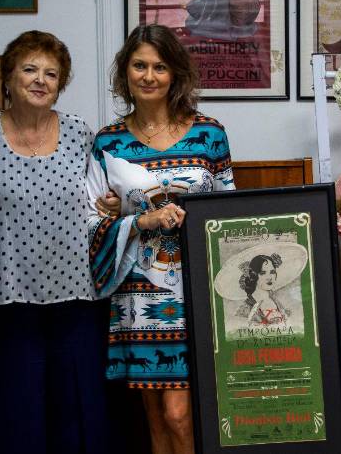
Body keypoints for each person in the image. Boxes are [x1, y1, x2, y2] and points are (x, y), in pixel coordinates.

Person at [0, 30, 120, 454]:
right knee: (15, 416)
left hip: (77, 297)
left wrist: (108, 203)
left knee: (78, 412)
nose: (40, 79)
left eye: (52, 73)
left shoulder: (80, 134)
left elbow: (98, 198)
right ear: (8, 77)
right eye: (29, 69)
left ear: (61, 84)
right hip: (7, 299)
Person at [87, 24, 235, 454]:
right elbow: (92, 223)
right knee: (154, 417)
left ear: (176, 74)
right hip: (137, 291)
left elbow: (231, 213)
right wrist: (132, 219)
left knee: (180, 415)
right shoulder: (107, 142)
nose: (148, 76)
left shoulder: (210, 134)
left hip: (197, 291)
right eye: (139, 66)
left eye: (159, 66)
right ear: (125, 72)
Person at [236, 254, 289, 325]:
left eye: (272, 272)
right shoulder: (246, 308)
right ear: (253, 276)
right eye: (262, 273)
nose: (269, 277)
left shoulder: (275, 300)